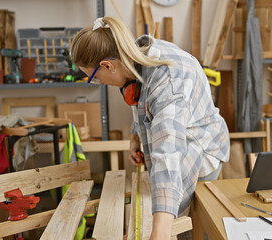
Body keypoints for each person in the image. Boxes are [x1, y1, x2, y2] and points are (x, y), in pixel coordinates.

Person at [71, 16, 230, 239]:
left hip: (200, 147)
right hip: (179, 141)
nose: (99, 83)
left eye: (94, 78)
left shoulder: (168, 81)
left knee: (178, 225)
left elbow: (168, 154)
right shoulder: (134, 57)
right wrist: (135, 135)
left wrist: (160, 232)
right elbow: (140, 95)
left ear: (107, 65)